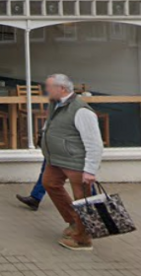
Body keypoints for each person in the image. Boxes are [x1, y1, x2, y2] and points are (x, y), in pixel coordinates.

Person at [39, 74, 103, 251]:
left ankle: (83, 239)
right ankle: (74, 222)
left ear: (62, 89)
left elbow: (94, 143)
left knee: (82, 199)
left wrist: (90, 170)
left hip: (75, 161)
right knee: (49, 183)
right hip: (57, 159)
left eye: (49, 87)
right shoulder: (55, 104)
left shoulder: (81, 110)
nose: (46, 90)